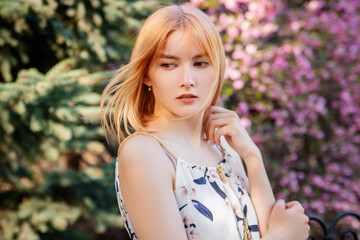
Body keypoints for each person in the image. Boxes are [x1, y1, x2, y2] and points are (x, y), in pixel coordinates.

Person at [101, 4, 310, 240]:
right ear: (147, 74)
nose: (187, 80)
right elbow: (278, 235)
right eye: (169, 64)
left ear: (216, 69)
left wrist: (252, 156)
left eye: (200, 63)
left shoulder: (223, 147)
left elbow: (263, 232)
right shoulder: (144, 152)